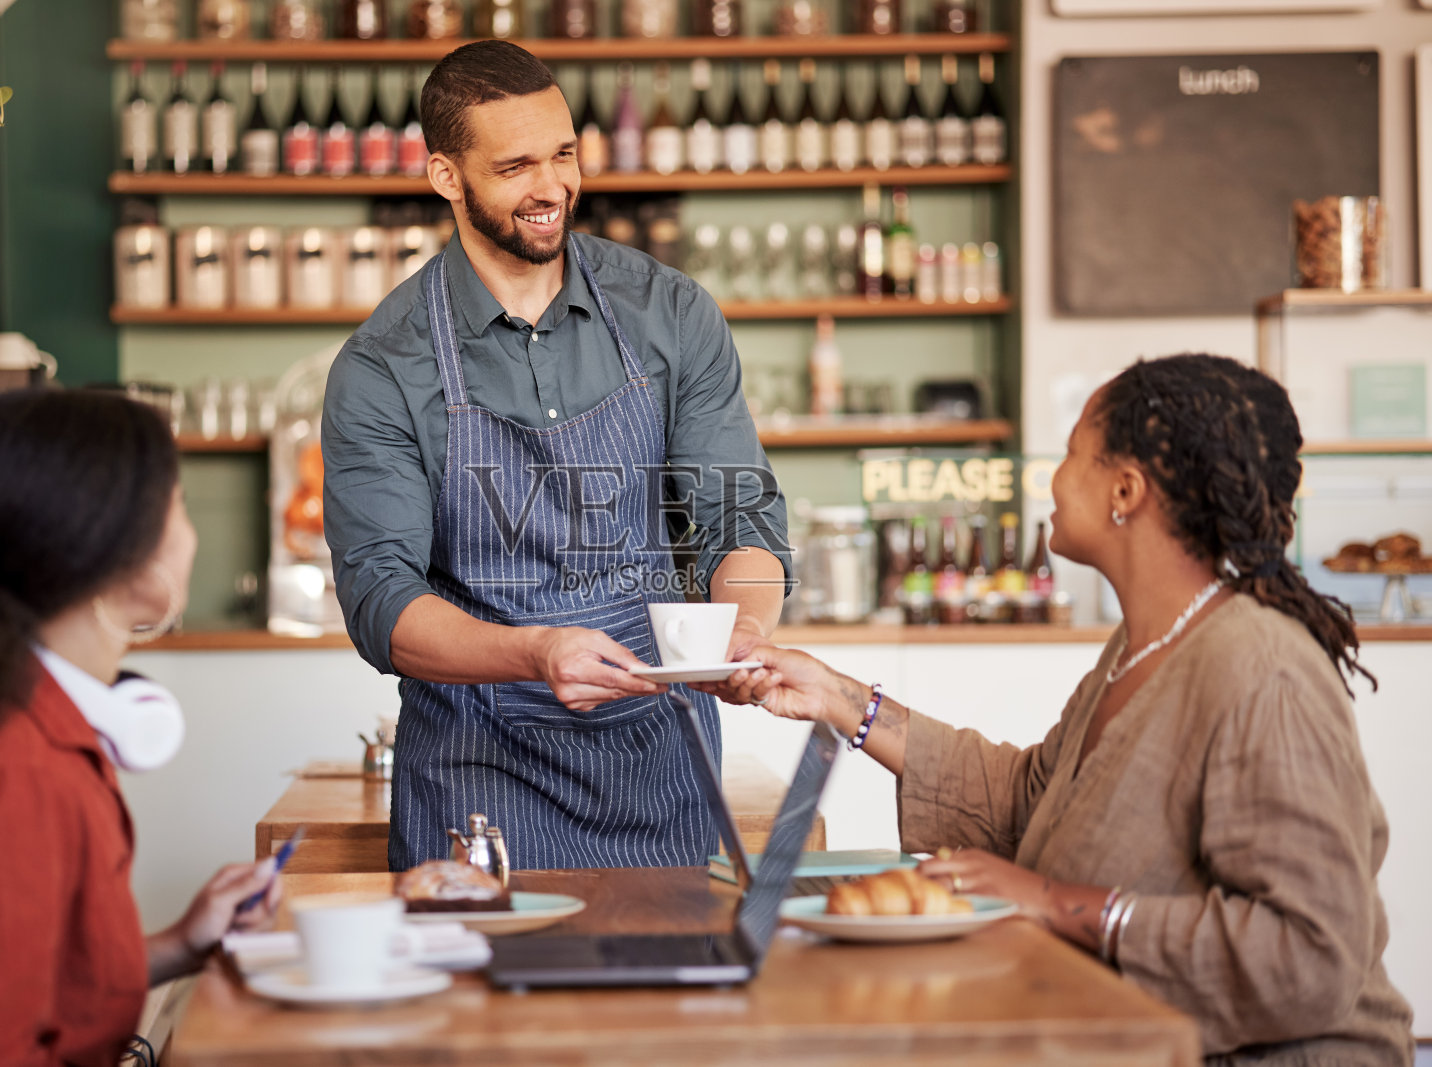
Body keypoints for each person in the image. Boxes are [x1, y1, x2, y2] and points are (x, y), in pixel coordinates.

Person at [710, 355, 1414, 1065]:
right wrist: (837, 696)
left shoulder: (1264, 667)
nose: (1052, 475)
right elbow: (1033, 802)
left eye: (1075, 452)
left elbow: (1309, 953)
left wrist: (1055, 902)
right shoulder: (1142, 646)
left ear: (1126, 489)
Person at [322, 40, 790, 871]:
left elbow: (740, 518)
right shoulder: (384, 365)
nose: (552, 188)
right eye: (515, 167)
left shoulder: (670, 313)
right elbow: (381, 600)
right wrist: (537, 652)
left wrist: (742, 635)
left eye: (565, 154)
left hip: (663, 776)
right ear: (445, 177)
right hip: (476, 783)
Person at [0, 390, 282, 1066]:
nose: (190, 532)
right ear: (124, 559)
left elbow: (23, 987)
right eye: (179, 505)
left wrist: (181, 942)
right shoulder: (6, 775)